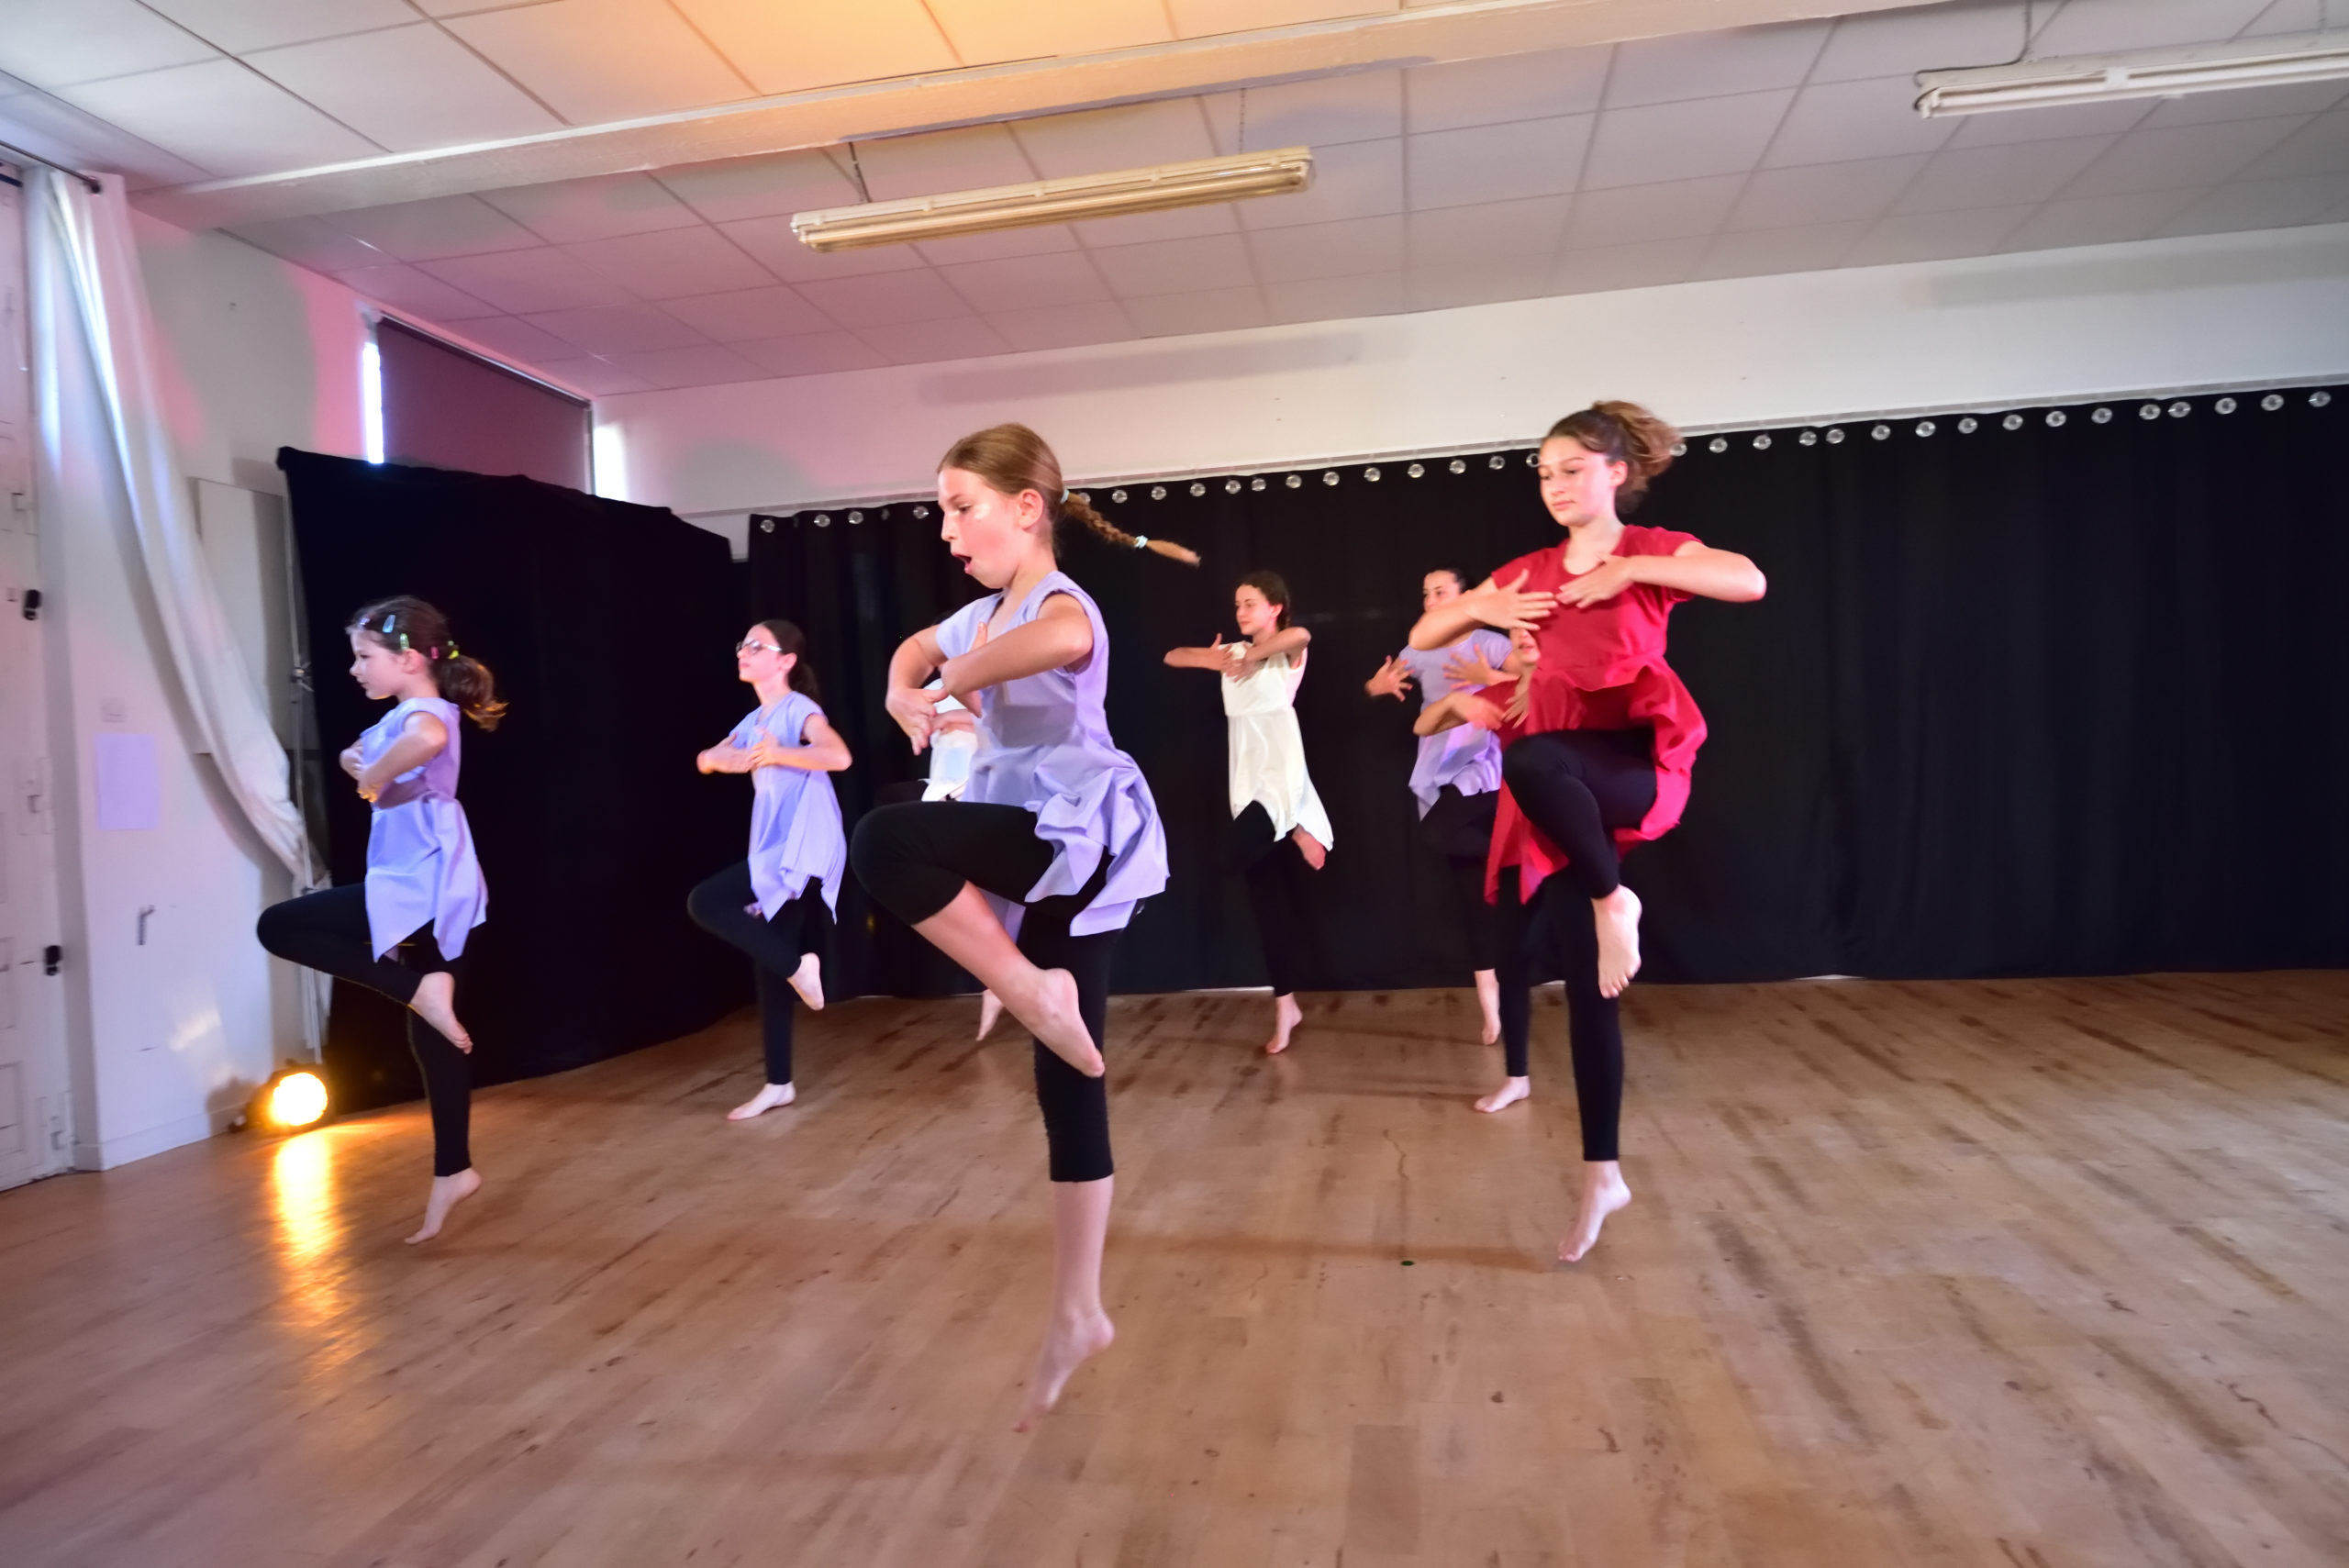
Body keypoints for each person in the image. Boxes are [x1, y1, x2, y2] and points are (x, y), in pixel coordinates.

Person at [849, 422, 1193, 1429]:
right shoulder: (981, 611)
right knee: (1068, 1073)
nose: (947, 529)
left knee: (885, 840)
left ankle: (1027, 988)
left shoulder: (1056, 601)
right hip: (1032, 838)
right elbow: (916, 645)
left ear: (1028, 507)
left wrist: (947, 684)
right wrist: (901, 687)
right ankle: (1077, 1310)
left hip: (1071, 830)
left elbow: (1061, 643)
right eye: (942, 511)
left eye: (963, 508)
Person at [1409, 402, 1765, 1262]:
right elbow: (1425, 633)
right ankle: (1603, 1172)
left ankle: (1614, 898)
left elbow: (1748, 578)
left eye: (1572, 468)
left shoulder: (1651, 549)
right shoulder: (1529, 572)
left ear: (1616, 472)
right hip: (1563, 787)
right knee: (1587, 989)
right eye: (1544, 473)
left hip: (1631, 765)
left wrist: (1631, 569)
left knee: (1534, 764)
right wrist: (1488, 603)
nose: (1556, 485)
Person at [255, 596, 504, 1244]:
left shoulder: (425, 713)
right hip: (430, 884)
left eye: (365, 657)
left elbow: (427, 741)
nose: (354, 669)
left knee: (279, 926)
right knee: (436, 1035)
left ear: (410, 658)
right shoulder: (402, 713)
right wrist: (363, 765)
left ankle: (416, 989)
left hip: (421, 885)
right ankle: (454, 1169)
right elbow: (351, 753)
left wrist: (376, 778)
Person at [686, 619, 850, 1121]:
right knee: (769, 960)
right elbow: (709, 757)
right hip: (775, 845)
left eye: (757, 646)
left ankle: (801, 967)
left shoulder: (799, 709)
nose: (744, 651)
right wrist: (716, 759)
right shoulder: (755, 717)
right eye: (743, 644)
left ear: (786, 661)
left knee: (706, 902)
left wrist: (778, 752)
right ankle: (779, 1083)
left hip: (803, 841)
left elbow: (838, 755)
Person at [1164, 572, 1333, 1054]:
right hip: (1246, 780)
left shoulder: (1284, 652)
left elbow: (1302, 635)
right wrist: (1215, 658)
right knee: (1268, 907)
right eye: (1238, 604)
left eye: (1251, 603)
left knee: (1227, 856)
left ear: (1275, 607)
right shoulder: (1232, 653)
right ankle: (1286, 1007)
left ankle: (1297, 824)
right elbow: (1173, 655)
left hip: (1279, 776)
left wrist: (1251, 656)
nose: (1241, 612)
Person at [1364, 567, 1515, 1053]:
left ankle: (1516, 853)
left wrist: (1488, 678)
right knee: (1472, 897)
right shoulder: (1419, 647)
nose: (1431, 601)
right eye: (1426, 594)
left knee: (1439, 836)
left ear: (1464, 597)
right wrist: (1377, 686)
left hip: (1480, 764)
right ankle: (1492, 1010)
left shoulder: (1487, 642)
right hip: (1436, 766)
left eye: (1441, 592)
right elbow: (1381, 681)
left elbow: (1538, 681)